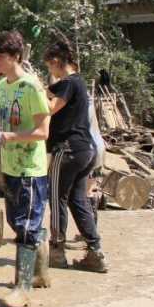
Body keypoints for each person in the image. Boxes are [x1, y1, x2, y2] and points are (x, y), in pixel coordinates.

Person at [0, 31, 51, 307]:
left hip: (30, 170)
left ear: (15, 57)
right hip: (10, 165)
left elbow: (42, 132)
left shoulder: (32, 87)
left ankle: (22, 288)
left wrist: (8, 138)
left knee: (24, 227)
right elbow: (4, 121)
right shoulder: (3, 87)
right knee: (18, 222)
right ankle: (41, 254)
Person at [42, 39, 107, 273]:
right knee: (77, 200)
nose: (50, 72)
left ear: (57, 62)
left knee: (57, 196)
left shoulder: (69, 82)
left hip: (67, 149)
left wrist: (37, 95)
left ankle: (57, 250)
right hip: (85, 150)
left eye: (50, 66)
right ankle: (95, 251)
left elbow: (49, 107)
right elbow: (48, 91)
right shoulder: (76, 83)